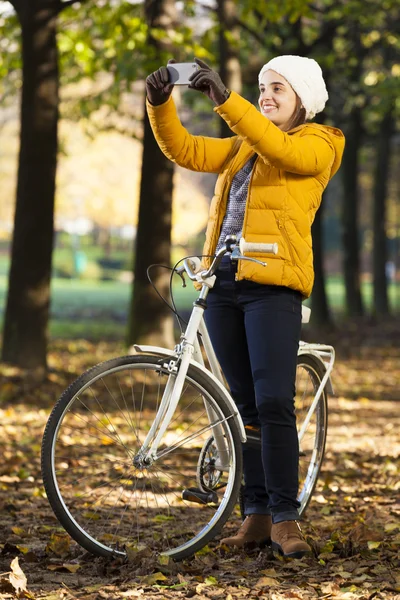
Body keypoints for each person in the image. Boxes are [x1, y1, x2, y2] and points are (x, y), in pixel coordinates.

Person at [145, 55, 345, 558]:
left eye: (278, 87)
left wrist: (225, 100)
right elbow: (186, 149)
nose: (267, 94)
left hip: (273, 286)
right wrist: (160, 102)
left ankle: (285, 519)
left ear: (303, 98)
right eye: (262, 86)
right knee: (242, 407)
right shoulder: (242, 148)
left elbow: (282, 150)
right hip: (223, 284)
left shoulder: (322, 142)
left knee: (274, 401)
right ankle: (254, 515)